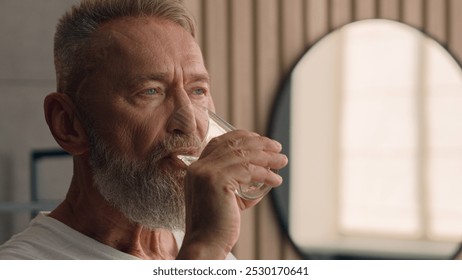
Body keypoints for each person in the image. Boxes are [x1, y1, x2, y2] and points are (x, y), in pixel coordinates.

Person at [0, 0, 288, 260]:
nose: (189, 123)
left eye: (197, 90)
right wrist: (204, 248)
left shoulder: (201, 243)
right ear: (68, 124)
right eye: (150, 91)